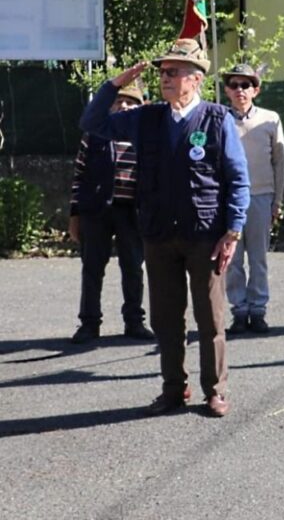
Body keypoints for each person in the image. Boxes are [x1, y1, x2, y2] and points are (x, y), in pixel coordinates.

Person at [79, 39, 249, 418]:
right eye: (162, 71)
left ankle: (215, 391)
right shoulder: (147, 117)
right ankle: (173, 389)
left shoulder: (217, 119)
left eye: (173, 72)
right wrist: (113, 83)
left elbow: (238, 179)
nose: (164, 77)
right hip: (158, 234)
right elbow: (92, 123)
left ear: (196, 78)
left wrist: (233, 230)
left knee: (210, 318)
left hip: (205, 233)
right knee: (166, 320)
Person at [68, 81, 152, 344]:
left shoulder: (146, 136)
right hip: (96, 211)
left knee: (133, 267)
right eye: (118, 101)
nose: (123, 106)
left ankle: (134, 322)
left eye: (130, 102)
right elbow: (79, 176)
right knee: (92, 268)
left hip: (132, 212)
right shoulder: (94, 134)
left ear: (140, 107)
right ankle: (89, 323)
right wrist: (75, 216)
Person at [221, 64, 284, 335]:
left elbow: (279, 161)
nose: (240, 90)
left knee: (258, 258)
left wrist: (277, 201)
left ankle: (258, 310)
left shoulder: (270, 119)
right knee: (232, 259)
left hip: (261, 195)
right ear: (227, 90)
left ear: (255, 90)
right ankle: (239, 310)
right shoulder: (219, 118)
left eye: (245, 85)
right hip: (228, 200)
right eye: (234, 85)